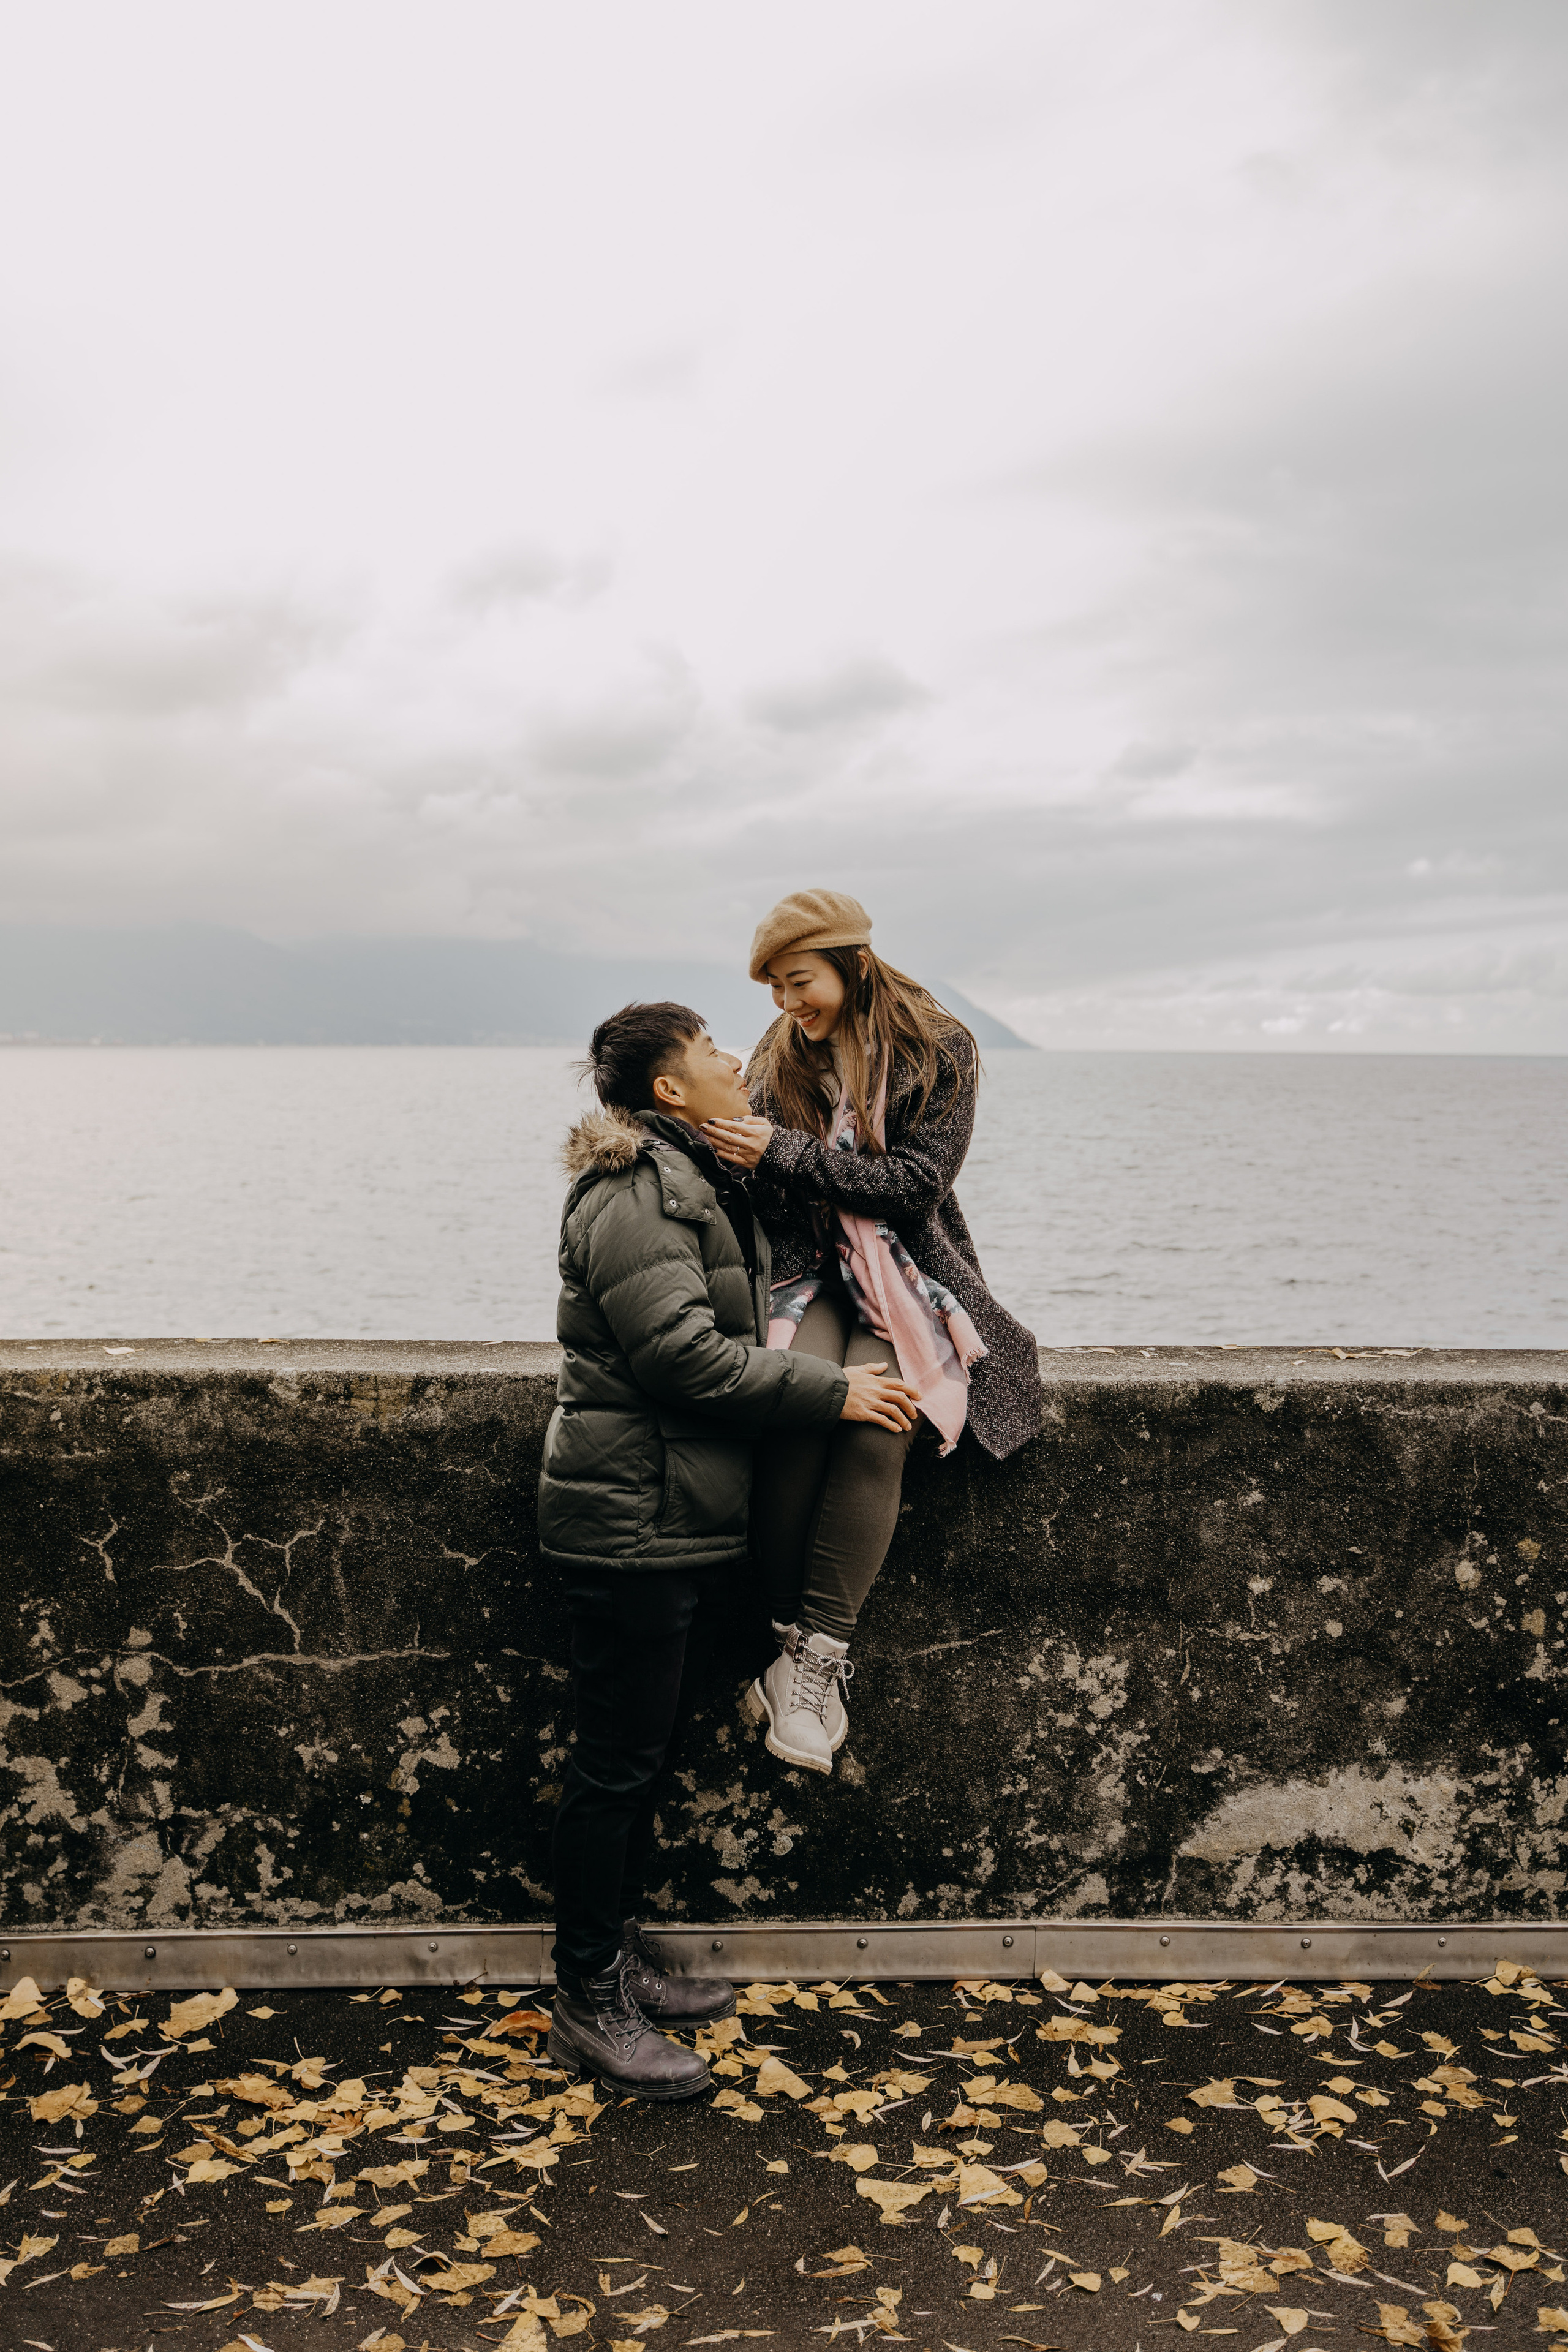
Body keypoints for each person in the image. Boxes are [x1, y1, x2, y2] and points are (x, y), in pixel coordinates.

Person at [538, 997, 921, 2098]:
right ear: (668, 1089)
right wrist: (834, 1392)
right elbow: (683, 1360)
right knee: (614, 1767)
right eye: (707, 1050)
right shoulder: (632, 1193)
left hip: (671, 1514)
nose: (728, 1060)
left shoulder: (692, 1176)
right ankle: (585, 2001)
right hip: (628, 1523)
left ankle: (607, 1960)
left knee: (642, 1754)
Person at [702, 888, 1043, 1777]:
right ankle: (784, 1639)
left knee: (880, 1419)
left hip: (905, 1275)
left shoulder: (943, 1048)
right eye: (774, 988)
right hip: (805, 1270)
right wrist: (732, 1151)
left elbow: (914, 1185)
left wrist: (778, 1152)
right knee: (796, 1403)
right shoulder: (782, 1054)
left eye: (798, 981)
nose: (786, 1005)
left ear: (852, 961)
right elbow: (777, 1199)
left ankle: (818, 1658)